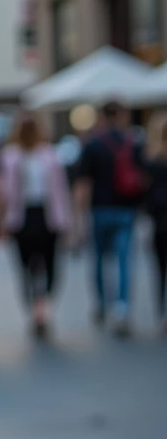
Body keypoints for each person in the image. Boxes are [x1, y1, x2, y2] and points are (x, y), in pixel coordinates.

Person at [73, 99, 148, 334]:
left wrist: (78, 217)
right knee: (125, 260)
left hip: (100, 210)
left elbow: (83, 185)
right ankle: (122, 307)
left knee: (98, 260)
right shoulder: (132, 143)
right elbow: (143, 179)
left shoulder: (93, 145)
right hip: (126, 210)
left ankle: (101, 303)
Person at [0, 113, 72, 337]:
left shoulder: (50, 156)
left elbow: (60, 190)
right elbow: (5, 193)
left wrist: (66, 221)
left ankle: (43, 306)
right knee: (25, 266)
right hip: (21, 217)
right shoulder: (9, 157)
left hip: (46, 215)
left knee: (50, 264)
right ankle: (34, 306)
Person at [142, 112, 167, 334]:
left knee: (160, 271)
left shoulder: (151, 161)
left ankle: (162, 313)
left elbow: (146, 196)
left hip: (160, 223)